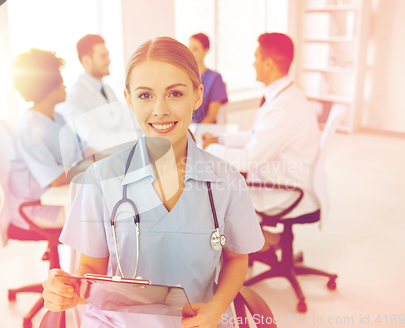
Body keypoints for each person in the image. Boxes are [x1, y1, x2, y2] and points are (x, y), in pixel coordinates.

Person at [42, 37, 264, 328]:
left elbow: (236, 258)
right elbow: (90, 270)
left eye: (175, 93)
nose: (160, 110)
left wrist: (216, 307)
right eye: (145, 95)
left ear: (197, 96)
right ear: (129, 99)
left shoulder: (228, 182)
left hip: (197, 323)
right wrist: (66, 289)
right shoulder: (100, 179)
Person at [202, 33, 320, 249]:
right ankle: (265, 242)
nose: (253, 62)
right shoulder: (285, 96)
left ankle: (255, 247)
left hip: (285, 189)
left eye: (256, 57)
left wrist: (211, 148)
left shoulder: (282, 108)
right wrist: (221, 139)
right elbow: (254, 136)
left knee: (214, 195)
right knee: (224, 184)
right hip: (283, 176)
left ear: (268, 63)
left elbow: (248, 160)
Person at [7, 49, 83, 231]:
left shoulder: (57, 118)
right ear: (49, 88)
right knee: (99, 216)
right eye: (62, 82)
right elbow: (56, 179)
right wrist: (95, 167)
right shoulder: (27, 128)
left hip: (61, 196)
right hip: (39, 207)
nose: (65, 87)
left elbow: (82, 151)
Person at [55, 34, 139, 156]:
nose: (109, 60)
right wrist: (138, 138)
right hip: (103, 162)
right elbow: (96, 139)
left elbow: (128, 119)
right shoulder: (76, 96)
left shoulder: (107, 89)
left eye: (108, 55)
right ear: (86, 61)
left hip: (123, 153)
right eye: (103, 56)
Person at [188, 33, 228, 123]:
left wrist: (193, 135)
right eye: (189, 48)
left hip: (202, 130)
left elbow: (211, 117)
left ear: (206, 50)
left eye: (195, 49)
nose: (191, 52)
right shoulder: (184, 76)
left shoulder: (215, 78)